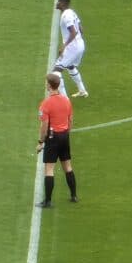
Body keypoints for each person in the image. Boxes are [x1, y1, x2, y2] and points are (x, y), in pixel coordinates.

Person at [35, 72, 78, 207]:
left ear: (49, 85)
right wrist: (66, 133)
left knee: (49, 169)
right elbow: (70, 119)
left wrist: (41, 142)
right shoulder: (66, 100)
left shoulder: (46, 104)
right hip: (64, 135)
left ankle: (47, 201)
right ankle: (74, 196)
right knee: (67, 166)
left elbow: (44, 125)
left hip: (52, 137)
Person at [53, 0, 88, 98]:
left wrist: (64, 46)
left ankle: (65, 100)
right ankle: (82, 90)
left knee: (56, 72)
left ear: (63, 3)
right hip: (80, 45)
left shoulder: (66, 15)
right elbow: (81, 29)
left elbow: (73, 32)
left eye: (59, 2)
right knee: (70, 66)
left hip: (72, 47)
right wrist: (78, 42)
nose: (57, 3)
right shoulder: (72, 12)